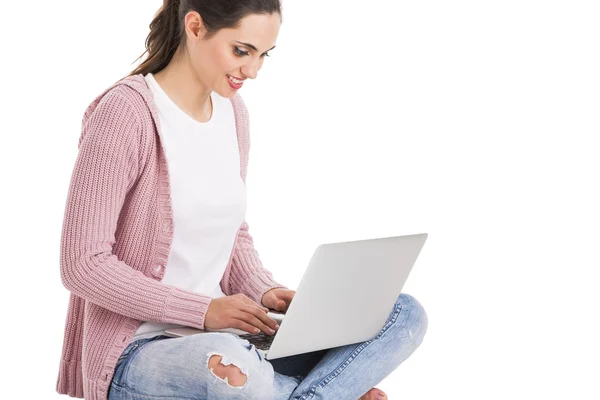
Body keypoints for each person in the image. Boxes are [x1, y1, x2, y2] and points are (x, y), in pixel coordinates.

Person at [55, 0, 429, 399]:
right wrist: (202, 311)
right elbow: (82, 265)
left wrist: (264, 291)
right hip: (146, 351)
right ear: (195, 27)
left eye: (263, 54)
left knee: (403, 314)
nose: (252, 71)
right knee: (236, 368)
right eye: (241, 51)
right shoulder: (125, 112)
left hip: (233, 336)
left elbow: (230, 230)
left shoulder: (232, 113)